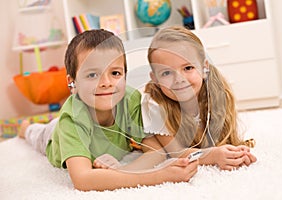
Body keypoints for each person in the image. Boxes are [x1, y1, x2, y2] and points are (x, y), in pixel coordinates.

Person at [18, 29, 198, 191]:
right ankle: (25, 128)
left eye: (115, 73)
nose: (106, 82)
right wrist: (158, 176)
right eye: (92, 75)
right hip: (53, 134)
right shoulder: (71, 119)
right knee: (37, 133)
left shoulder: (130, 100)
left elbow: (156, 152)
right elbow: (82, 180)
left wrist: (121, 171)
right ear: (72, 83)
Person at [141, 26, 257, 171]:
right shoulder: (153, 104)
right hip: (144, 138)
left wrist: (234, 153)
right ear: (155, 78)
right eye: (166, 73)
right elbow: (177, 153)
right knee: (154, 151)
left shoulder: (218, 92)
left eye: (188, 68)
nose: (179, 79)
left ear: (204, 68)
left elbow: (220, 140)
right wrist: (213, 155)